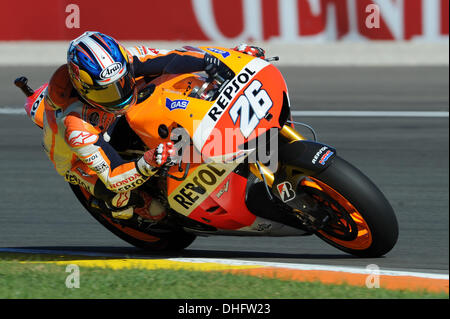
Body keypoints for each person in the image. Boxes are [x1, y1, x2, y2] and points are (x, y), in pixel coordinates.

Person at [42, 31, 265, 221]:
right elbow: (114, 175)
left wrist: (226, 59)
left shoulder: (127, 58)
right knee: (123, 199)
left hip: (114, 116)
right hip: (75, 157)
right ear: (84, 89)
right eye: (108, 91)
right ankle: (121, 206)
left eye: (121, 82)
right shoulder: (74, 125)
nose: (120, 93)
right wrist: (149, 162)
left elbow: (176, 56)